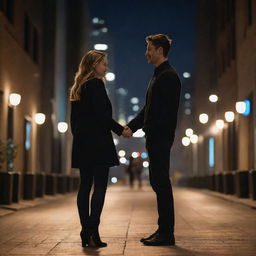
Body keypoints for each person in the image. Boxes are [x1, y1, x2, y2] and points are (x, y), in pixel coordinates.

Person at [124, 34, 181, 246]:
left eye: (149, 49)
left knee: (161, 183)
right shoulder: (159, 75)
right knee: (158, 183)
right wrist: (131, 126)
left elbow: (163, 114)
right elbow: (148, 109)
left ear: (159, 50)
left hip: (160, 137)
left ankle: (166, 233)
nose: (146, 53)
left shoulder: (168, 76)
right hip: (155, 137)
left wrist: (143, 128)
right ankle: (163, 230)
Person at [69, 50, 130, 247]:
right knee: (100, 187)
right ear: (94, 64)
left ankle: (87, 232)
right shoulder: (96, 84)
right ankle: (90, 230)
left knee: (84, 186)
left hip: (82, 143)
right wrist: (121, 130)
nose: (106, 67)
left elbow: (73, 123)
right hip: (98, 143)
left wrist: (81, 138)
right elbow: (102, 117)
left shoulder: (77, 88)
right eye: (104, 64)